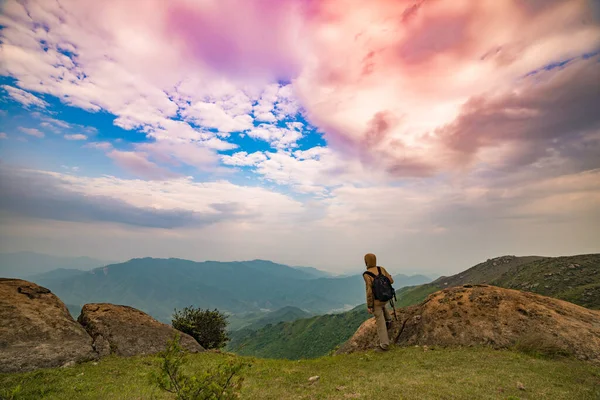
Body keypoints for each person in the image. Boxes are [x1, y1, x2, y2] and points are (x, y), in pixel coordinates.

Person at [362, 253, 394, 352]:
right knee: (383, 306)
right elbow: (391, 281)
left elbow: (369, 291)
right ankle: (389, 320)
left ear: (366, 261)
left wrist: (370, 305)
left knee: (380, 323)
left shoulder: (367, 274)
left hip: (377, 301)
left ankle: (384, 345)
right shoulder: (381, 269)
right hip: (386, 297)